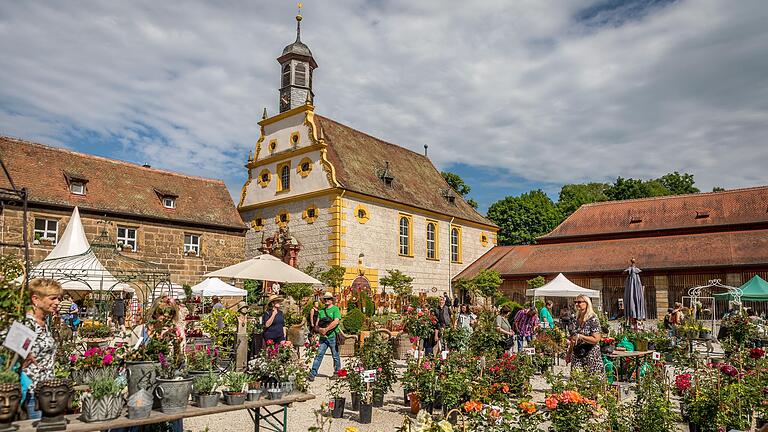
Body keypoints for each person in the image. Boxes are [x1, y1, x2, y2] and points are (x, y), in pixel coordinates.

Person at [19, 278, 62, 420]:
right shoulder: (26, 324)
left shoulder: (44, 323)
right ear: (35, 299)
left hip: (47, 391)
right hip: (32, 393)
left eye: (58, 298)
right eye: (53, 298)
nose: (57, 302)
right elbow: (15, 358)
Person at [309, 292, 342, 381]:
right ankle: (312, 373)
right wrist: (320, 330)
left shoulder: (335, 309)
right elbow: (316, 325)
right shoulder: (321, 311)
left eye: (329, 299)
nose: (327, 300)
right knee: (319, 355)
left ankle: (337, 373)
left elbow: (336, 322)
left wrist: (325, 330)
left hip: (333, 336)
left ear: (332, 300)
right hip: (323, 338)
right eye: (325, 299)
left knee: (335, 356)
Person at [566, 294, 603, 374]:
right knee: (576, 381)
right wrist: (569, 353)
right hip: (577, 354)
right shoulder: (576, 319)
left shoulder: (593, 319)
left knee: (593, 382)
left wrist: (581, 337)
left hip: (591, 355)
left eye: (579, 302)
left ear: (586, 303)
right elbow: (573, 338)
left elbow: (596, 339)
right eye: (575, 302)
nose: (576, 304)